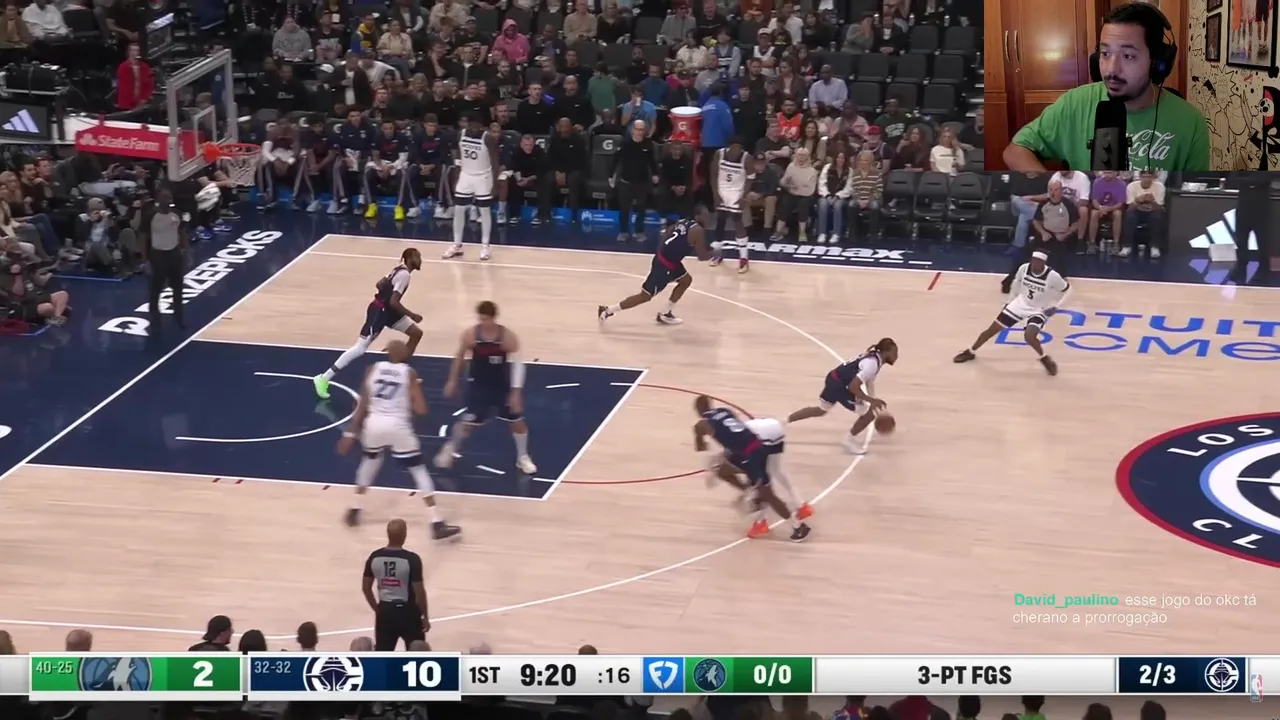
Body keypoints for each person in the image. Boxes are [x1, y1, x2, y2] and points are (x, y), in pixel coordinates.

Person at [1003, 2, 1209, 172]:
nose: (1111, 69)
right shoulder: (1074, 104)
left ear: (1157, 62)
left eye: (1127, 56)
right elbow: (1015, 151)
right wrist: (1056, 192)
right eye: (1105, 53)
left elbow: (1195, 193)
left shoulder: (1190, 122)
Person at [338, 339, 462, 536]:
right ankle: (436, 522)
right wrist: (412, 396)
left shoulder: (372, 369)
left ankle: (354, 509)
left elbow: (361, 404)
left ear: (387, 352)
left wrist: (350, 432)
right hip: (398, 427)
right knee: (418, 470)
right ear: (405, 355)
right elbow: (421, 409)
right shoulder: (408, 373)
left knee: (369, 463)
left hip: (374, 426)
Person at [434, 301, 538, 475]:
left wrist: (516, 392)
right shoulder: (471, 335)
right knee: (467, 423)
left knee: (517, 422)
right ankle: (450, 448)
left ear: (494, 318)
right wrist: (452, 380)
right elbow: (459, 358)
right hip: (478, 385)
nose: (484, 322)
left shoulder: (507, 337)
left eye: (487, 319)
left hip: (501, 385)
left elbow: (518, 365)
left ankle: (523, 457)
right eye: (481, 319)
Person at [693, 395, 812, 542]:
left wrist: (700, 439)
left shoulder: (701, 425)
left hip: (751, 455)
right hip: (755, 446)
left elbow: (700, 448)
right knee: (722, 469)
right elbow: (736, 433)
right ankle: (750, 491)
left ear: (697, 410)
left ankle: (798, 526)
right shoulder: (725, 411)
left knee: (767, 494)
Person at [314, 248, 425, 399]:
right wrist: (412, 315)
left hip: (388, 311)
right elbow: (394, 301)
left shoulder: (398, 269)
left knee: (416, 333)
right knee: (360, 348)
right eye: (418, 256)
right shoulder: (404, 274)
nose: (420, 260)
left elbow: (379, 284)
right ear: (409, 258)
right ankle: (324, 378)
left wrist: (386, 292)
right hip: (380, 311)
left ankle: (402, 373)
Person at [953, 251, 1070, 376]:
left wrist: (1057, 306)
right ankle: (970, 352)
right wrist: (1009, 301)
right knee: (991, 330)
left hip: (1038, 309)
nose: (1034, 263)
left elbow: (1068, 290)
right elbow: (1016, 283)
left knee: (1029, 336)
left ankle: (1044, 358)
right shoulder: (1024, 268)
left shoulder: (1052, 276)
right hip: (1020, 304)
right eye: (1033, 259)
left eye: (1037, 261)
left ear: (1043, 262)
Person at [597, 205, 712, 325]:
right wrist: (716, 252)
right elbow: (702, 256)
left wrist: (665, 250)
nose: (708, 218)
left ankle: (666, 313)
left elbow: (667, 232)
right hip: (665, 265)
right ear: (697, 216)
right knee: (645, 296)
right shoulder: (698, 230)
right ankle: (608, 310)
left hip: (667, 260)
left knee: (686, 280)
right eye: (705, 215)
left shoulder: (683, 222)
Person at [786, 338, 899, 454]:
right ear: (886, 352)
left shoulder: (874, 357)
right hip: (841, 385)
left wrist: (872, 399)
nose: (896, 356)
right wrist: (871, 401)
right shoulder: (872, 364)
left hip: (834, 378)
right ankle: (849, 440)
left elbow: (869, 381)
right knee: (869, 413)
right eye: (895, 353)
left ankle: (782, 421)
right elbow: (853, 387)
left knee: (822, 410)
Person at [361, 519, 438, 652]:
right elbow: (419, 592)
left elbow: (365, 587)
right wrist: (424, 616)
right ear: (404, 535)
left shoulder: (374, 557)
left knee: (383, 654)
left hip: (385, 612)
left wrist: (377, 608)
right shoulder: (412, 559)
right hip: (409, 613)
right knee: (416, 653)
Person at [442, 114, 498, 260]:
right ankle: (457, 244)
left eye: (476, 125)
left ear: (481, 126)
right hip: (466, 175)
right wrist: (456, 176)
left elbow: (495, 161)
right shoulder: (461, 134)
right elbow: (458, 157)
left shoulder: (487, 138)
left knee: (484, 211)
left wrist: (495, 183)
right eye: (471, 124)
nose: (473, 128)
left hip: (483, 177)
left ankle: (485, 246)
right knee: (459, 210)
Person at [708, 136, 750, 273]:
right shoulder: (719, 154)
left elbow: (751, 178)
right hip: (721, 190)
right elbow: (713, 175)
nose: (736, 150)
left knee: (737, 221)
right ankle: (717, 254)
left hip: (737, 192)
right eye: (734, 147)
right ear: (729, 147)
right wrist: (715, 194)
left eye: (739, 148)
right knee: (720, 221)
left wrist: (744, 196)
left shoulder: (746, 158)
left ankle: (744, 258)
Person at [363, 118, 412, 220]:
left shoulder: (401, 137)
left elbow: (403, 157)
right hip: (382, 163)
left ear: (394, 128)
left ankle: (399, 207)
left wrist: (390, 167)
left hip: (396, 163)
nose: (388, 131)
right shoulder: (377, 137)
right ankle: (371, 205)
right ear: (382, 129)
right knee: (368, 172)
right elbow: (375, 155)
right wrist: (381, 167)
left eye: (390, 128)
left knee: (403, 173)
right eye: (385, 128)